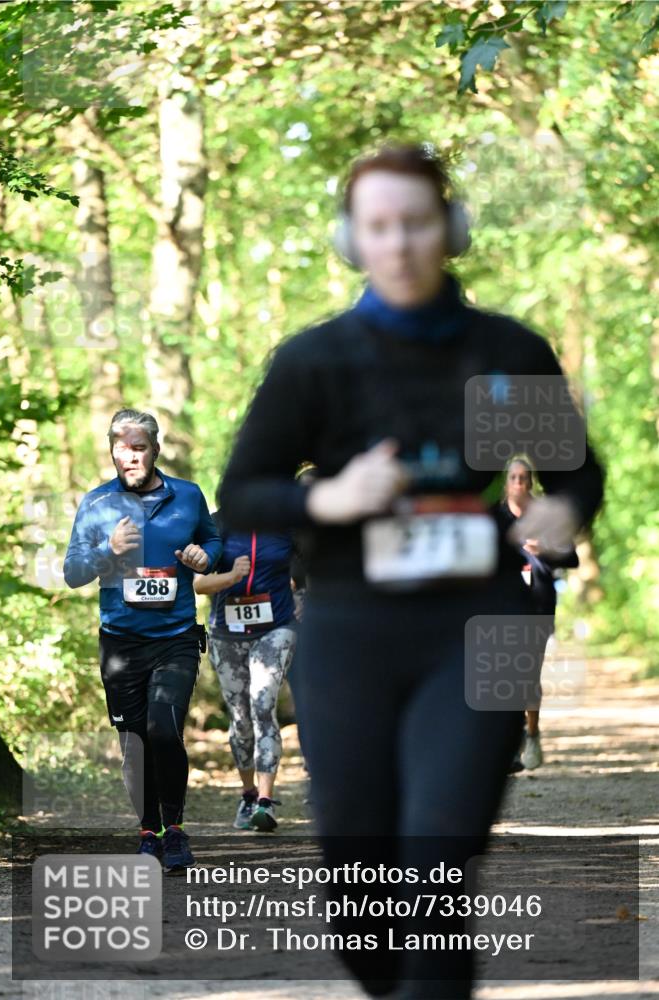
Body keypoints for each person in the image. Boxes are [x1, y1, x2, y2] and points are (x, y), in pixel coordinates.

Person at [216, 144, 604, 998]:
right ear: (352, 240)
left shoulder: (505, 350)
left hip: (483, 628)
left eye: (417, 223)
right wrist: (332, 498)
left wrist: (561, 509)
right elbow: (242, 494)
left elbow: (576, 470)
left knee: (439, 862)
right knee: (362, 899)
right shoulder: (314, 362)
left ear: (450, 230)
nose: (399, 244)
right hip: (350, 631)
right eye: (378, 227)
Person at [64, 409, 221, 872]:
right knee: (133, 743)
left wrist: (202, 556)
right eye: (120, 447)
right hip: (120, 642)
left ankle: (175, 831)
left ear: (155, 450)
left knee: (163, 728)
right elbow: (73, 573)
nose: (129, 456)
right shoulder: (96, 505)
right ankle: (148, 832)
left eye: (138, 447)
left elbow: (211, 545)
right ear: (111, 449)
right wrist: (107, 550)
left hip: (174, 637)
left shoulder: (188, 497)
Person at [193, 515, 298, 832]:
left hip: (275, 627)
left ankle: (265, 803)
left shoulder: (285, 524)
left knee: (262, 705)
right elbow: (197, 584)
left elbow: (315, 563)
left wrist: (306, 595)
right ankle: (248, 795)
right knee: (240, 718)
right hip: (227, 634)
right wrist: (231, 576)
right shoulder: (215, 526)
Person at [496, 457, 580, 770]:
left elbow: (572, 559)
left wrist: (542, 550)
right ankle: (509, 742)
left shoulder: (544, 515)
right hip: (501, 606)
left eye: (524, 478)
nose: (519, 483)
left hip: (538, 606)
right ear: (506, 483)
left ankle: (531, 732)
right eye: (513, 478)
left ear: (531, 482)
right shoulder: (496, 517)